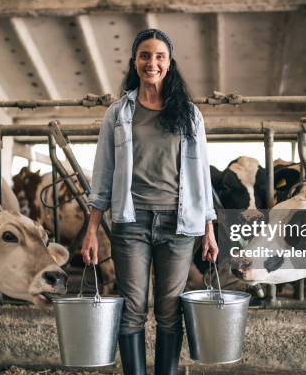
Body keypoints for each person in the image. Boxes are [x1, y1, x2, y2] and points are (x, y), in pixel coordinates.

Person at [82, 28, 218, 375]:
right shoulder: (118, 113)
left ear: (169, 64)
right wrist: (92, 230)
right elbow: (103, 173)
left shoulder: (189, 114)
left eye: (159, 56)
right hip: (131, 222)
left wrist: (209, 229)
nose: (151, 62)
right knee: (133, 307)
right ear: (135, 61)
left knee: (169, 309)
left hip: (179, 224)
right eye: (145, 55)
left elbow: (201, 174)